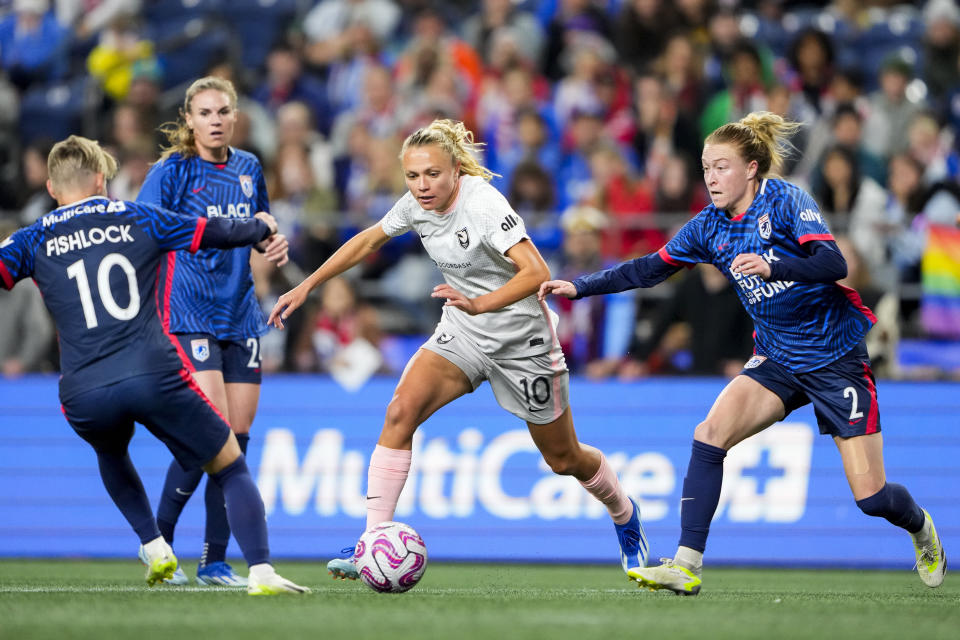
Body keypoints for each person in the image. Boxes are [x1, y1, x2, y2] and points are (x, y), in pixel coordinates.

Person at [539, 111, 947, 595]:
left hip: (834, 355)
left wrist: (774, 264)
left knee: (871, 497)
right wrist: (579, 287)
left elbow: (833, 261)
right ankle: (687, 564)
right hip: (777, 356)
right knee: (709, 434)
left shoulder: (788, 201)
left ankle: (921, 528)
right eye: (707, 168)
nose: (711, 177)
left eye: (722, 167)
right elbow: (649, 269)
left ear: (752, 168)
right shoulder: (707, 227)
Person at [268, 118, 648, 580]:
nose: (422, 186)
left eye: (432, 175)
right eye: (412, 176)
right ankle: (372, 542)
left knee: (563, 458)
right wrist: (308, 285)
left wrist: (480, 302)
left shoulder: (484, 204)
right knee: (399, 411)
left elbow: (537, 271)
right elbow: (369, 239)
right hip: (464, 332)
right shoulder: (415, 204)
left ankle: (625, 515)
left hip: (521, 340)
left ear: (455, 171)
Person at [0, 135, 307, 595]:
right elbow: (212, 232)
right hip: (153, 373)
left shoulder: (32, 237)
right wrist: (259, 227)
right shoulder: (137, 216)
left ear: (50, 186)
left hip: (84, 391)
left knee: (110, 451)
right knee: (229, 465)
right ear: (102, 179)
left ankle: (153, 543)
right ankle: (262, 572)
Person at [136, 76, 289, 587]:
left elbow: (261, 224)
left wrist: (274, 245)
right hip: (188, 311)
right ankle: (158, 545)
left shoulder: (248, 167)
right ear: (189, 120)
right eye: (205, 113)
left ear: (235, 115)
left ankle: (214, 561)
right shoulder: (171, 171)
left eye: (223, 111)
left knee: (236, 443)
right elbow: (143, 229)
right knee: (213, 434)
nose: (216, 120)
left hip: (240, 312)